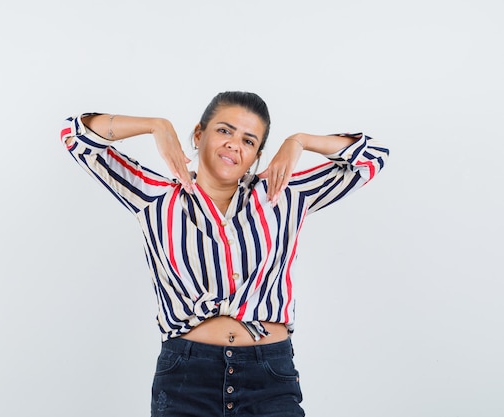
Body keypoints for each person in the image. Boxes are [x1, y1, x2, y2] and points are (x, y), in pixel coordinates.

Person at [59, 91, 389, 416]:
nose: (234, 144)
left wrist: (300, 141)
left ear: (257, 154)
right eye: (224, 130)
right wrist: (156, 126)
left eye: (249, 140)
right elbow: (76, 136)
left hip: (269, 378)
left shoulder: (284, 194)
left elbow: (373, 155)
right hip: (186, 379)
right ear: (199, 135)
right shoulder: (153, 196)